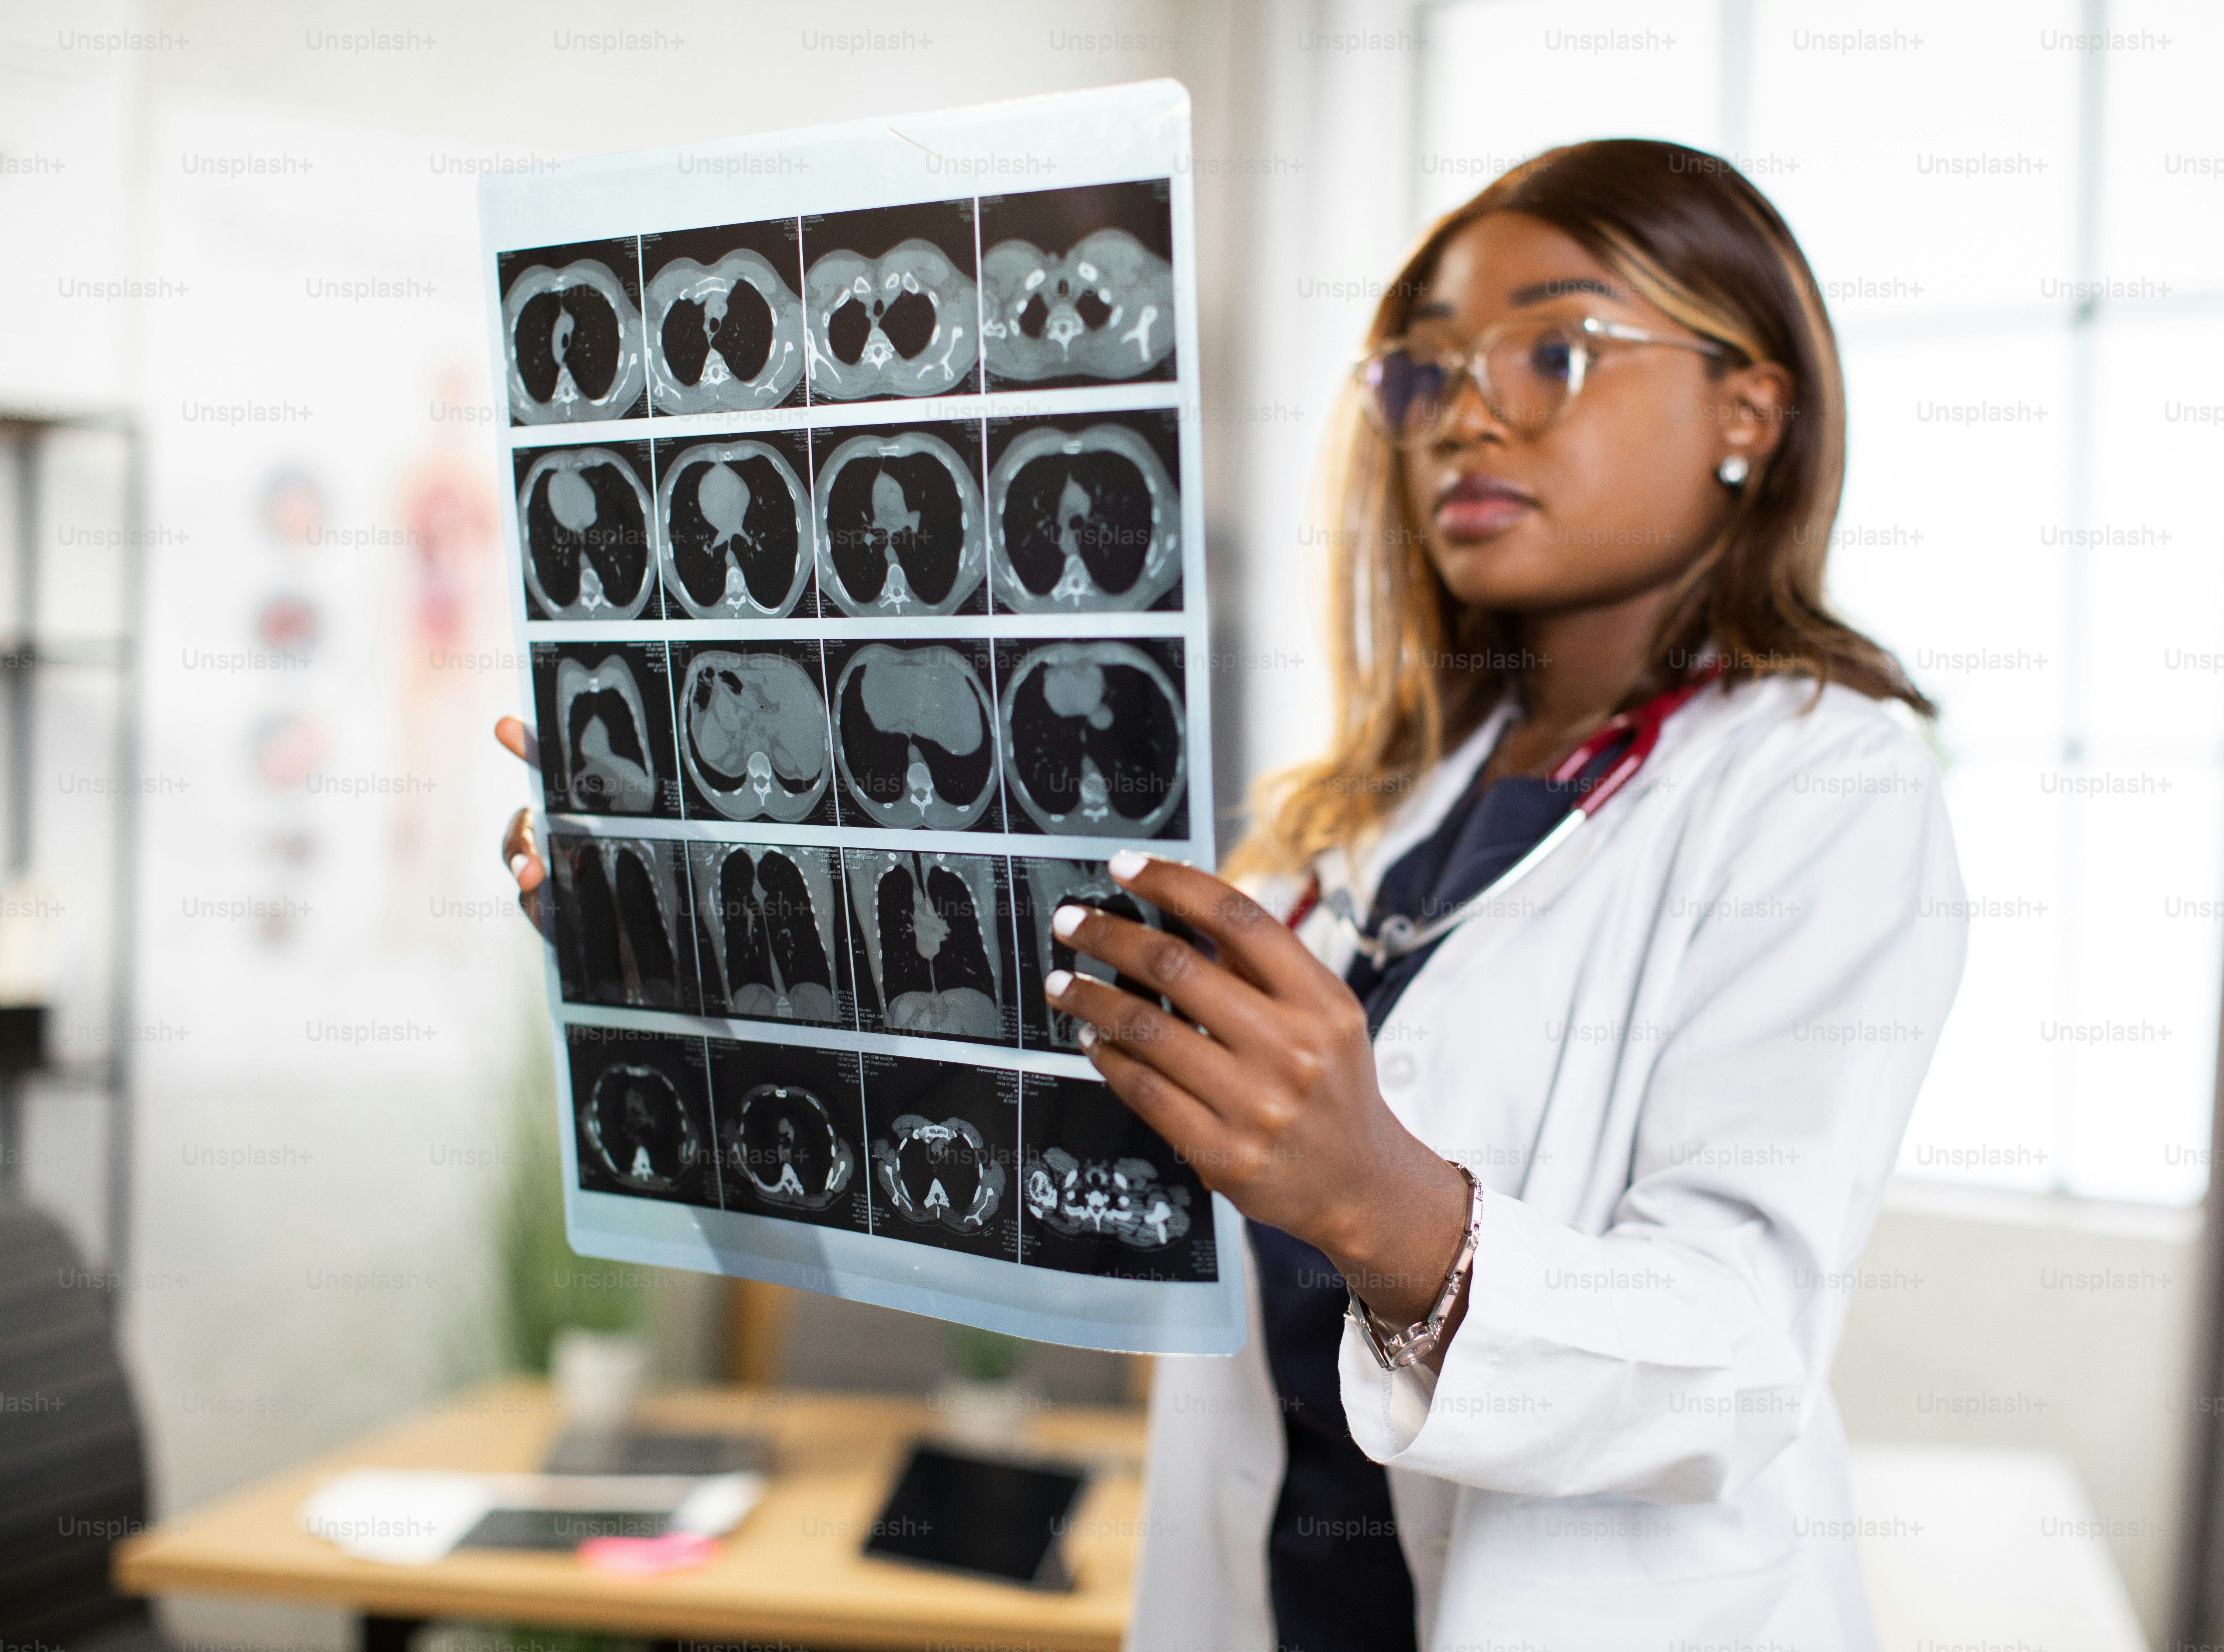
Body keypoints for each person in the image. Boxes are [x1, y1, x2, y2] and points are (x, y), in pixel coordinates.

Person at [499, 139, 1965, 1648]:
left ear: (1750, 409)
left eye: (1550, 350)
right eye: (1422, 373)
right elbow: (1059, 1139)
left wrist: (1379, 1203)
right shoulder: (1352, 820)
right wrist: (686, 950)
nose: (1462, 414)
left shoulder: (1823, 784)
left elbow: (1736, 1354)